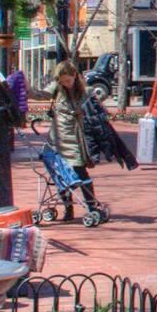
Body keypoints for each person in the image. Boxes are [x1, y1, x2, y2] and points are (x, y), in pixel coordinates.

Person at [46, 61, 103, 219]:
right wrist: (26, 90)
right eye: (62, 81)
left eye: (68, 81)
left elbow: (97, 113)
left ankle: (91, 206)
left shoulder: (85, 91)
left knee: (80, 172)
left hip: (76, 138)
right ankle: (68, 208)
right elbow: (42, 94)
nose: (65, 84)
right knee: (60, 174)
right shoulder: (57, 89)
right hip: (58, 138)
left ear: (75, 76)